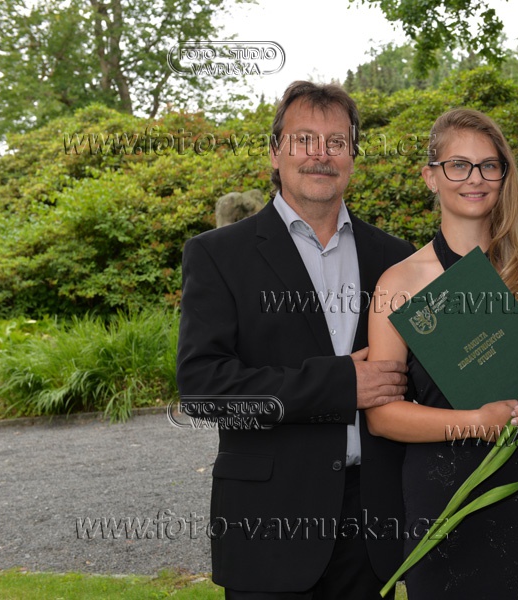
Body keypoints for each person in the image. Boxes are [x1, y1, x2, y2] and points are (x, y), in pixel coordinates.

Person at [175, 81, 414, 599]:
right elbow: (203, 388)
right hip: (268, 526)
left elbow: (425, 378)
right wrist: (339, 385)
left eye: (336, 142)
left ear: (353, 157)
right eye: (304, 139)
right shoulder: (218, 255)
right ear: (274, 152)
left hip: (371, 528)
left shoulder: (395, 258)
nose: (320, 155)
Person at [365, 108, 518, 600]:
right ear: (431, 177)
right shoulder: (399, 282)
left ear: (503, 175)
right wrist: (477, 422)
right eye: (458, 165)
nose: (474, 178)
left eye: (488, 165)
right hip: (446, 493)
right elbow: (381, 416)